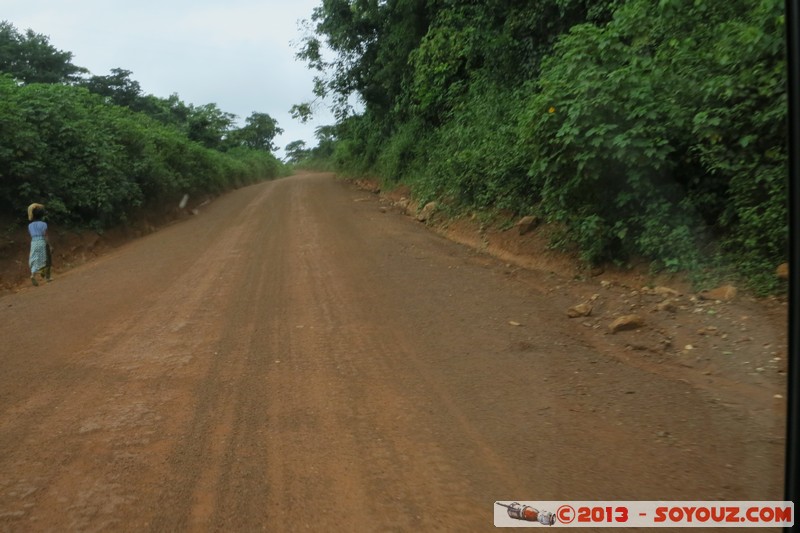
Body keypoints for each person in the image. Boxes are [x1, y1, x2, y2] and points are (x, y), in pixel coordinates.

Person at [27, 203, 51, 285]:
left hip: (33, 242)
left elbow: (31, 235)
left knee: (34, 258)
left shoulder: (30, 225)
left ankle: (32, 274)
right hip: (41, 242)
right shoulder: (44, 224)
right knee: (43, 258)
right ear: (42, 215)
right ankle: (43, 273)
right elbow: (46, 236)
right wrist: (49, 245)